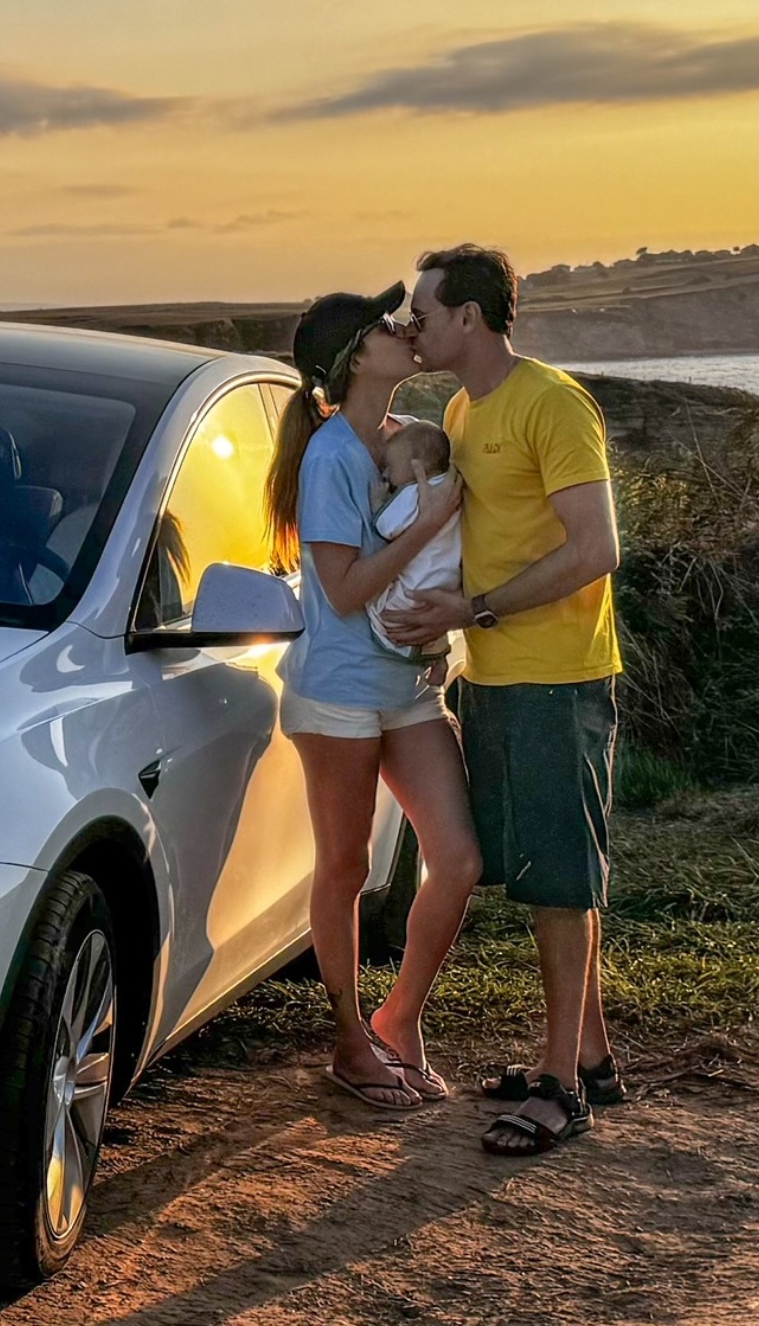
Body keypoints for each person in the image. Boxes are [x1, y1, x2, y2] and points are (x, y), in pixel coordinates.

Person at [383, 245, 626, 1156]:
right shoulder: (459, 406)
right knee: (541, 876)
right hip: (494, 674)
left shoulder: (552, 403)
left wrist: (474, 608)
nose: (412, 327)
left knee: (562, 885)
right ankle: (590, 1057)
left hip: (557, 676)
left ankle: (562, 1088)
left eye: (423, 312)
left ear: (471, 319)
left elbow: (595, 547)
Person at [266, 283, 481, 1111]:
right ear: (357, 356)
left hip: (407, 685)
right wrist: (429, 522)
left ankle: (399, 1018)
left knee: (457, 857)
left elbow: (433, 568)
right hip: (342, 695)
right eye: (386, 324)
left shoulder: (403, 442)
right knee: (348, 866)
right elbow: (346, 590)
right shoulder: (330, 459)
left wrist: (446, 636)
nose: (403, 328)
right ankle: (351, 1042)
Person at [366, 421, 462, 661]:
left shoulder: (415, 493)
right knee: (430, 619)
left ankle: (412, 652)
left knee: (382, 612)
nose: (385, 473)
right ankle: (437, 654)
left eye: (389, 466)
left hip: (418, 582)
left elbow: (387, 526)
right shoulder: (450, 486)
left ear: (415, 467)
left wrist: (378, 503)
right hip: (447, 578)